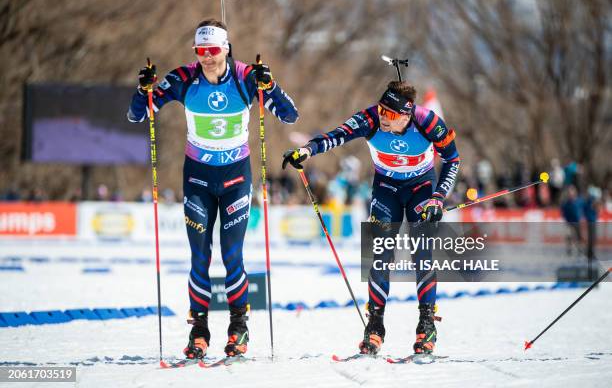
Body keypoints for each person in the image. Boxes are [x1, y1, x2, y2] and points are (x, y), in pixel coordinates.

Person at [127, 19, 299, 359]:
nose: (208, 57)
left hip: (236, 178)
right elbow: (137, 115)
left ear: (226, 48)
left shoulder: (246, 76)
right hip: (197, 179)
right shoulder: (183, 78)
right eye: (201, 51)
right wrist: (142, 90)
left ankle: (238, 327)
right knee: (200, 256)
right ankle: (199, 330)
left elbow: (290, 115)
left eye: (214, 50)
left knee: (232, 255)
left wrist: (271, 85)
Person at [282, 81, 460, 355]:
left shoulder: (427, 121)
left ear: (406, 115)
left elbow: (452, 160)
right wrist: (306, 150)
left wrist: (438, 197)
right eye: (381, 110)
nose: (383, 117)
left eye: (389, 114)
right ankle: (375, 325)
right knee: (379, 255)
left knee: (422, 254)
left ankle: (426, 324)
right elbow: (335, 135)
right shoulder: (371, 118)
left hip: (421, 189)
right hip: (386, 188)